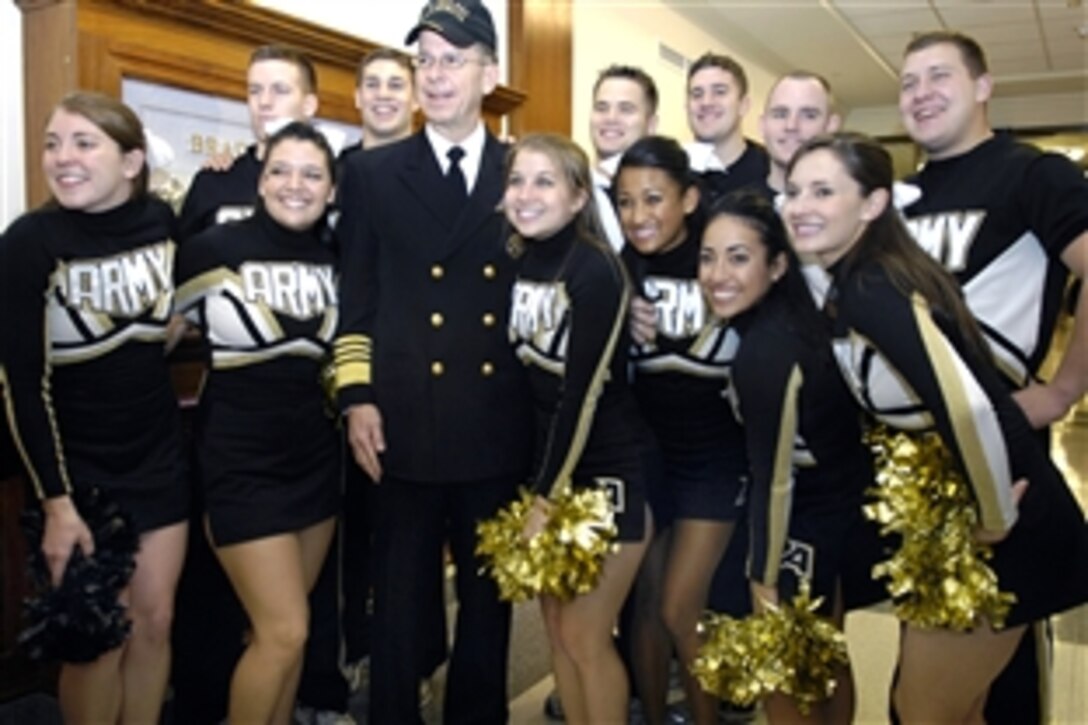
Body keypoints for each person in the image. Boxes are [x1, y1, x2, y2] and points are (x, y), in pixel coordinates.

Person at [782, 131, 1088, 723]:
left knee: (921, 709)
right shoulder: (860, 277)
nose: (801, 204)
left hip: (1006, 518)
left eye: (824, 190)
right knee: (956, 711)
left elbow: (970, 405)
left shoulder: (876, 284)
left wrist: (994, 515)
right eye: (795, 190)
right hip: (967, 510)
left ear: (872, 204)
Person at [333, 1, 533, 721]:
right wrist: (356, 396)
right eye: (426, 59)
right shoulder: (374, 174)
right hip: (402, 427)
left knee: (488, 606)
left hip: (497, 425)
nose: (436, 74)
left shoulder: (525, 173)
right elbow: (353, 302)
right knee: (401, 606)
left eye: (453, 58)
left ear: (489, 72)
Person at [897, 31, 1088, 724]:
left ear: (983, 86)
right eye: (909, 81)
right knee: (941, 693)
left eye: (939, 76)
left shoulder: (1031, 173)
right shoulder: (902, 198)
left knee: (953, 701)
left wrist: (1065, 389)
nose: (921, 92)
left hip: (1000, 464)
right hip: (921, 478)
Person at [0, 91, 188, 725]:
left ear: (131, 161)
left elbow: (182, 301)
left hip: (160, 456)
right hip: (79, 476)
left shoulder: (164, 221)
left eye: (84, 143)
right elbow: (25, 387)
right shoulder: (29, 242)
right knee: (95, 643)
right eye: (53, 143)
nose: (63, 158)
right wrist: (56, 503)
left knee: (155, 620)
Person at [174, 120, 340, 725]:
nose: (294, 185)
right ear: (260, 178)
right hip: (240, 464)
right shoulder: (211, 250)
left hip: (316, 461)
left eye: (311, 174)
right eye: (280, 171)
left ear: (330, 189)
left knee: (283, 633)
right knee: (284, 630)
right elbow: (152, 335)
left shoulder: (337, 257)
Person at [698, 190, 869, 723]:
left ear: (776, 266)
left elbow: (773, 479)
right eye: (708, 257)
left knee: (786, 684)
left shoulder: (767, 349)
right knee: (827, 659)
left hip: (806, 520)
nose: (718, 274)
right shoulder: (787, 322)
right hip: (836, 508)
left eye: (739, 257)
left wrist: (762, 577)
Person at [505, 132, 653, 725]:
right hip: (544, 465)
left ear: (576, 196)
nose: (526, 193)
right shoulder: (517, 255)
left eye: (544, 181)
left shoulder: (593, 267)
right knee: (558, 629)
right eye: (517, 180)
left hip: (602, 466)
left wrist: (546, 495)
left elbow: (583, 395)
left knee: (588, 635)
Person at [612, 136, 745, 725]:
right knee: (643, 603)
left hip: (715, 458)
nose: (638, 216)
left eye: (653, 199)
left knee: (679, 605)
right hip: (646, 453)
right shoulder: (623, 263)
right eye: (624, 201)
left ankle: (705, 716)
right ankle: (652, 711)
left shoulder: (723, 255)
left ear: (690, 198)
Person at [177, 44, 319, 241]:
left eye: (280, 90)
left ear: (308, 105)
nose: (264, 102)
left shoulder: (335, 186)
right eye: (255, 90)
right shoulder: (213, 181)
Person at [589, 64, 659, 250]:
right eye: (601, 107)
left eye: (626, 109)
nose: (610, 118)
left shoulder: (666, 200)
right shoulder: (571, 191)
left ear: (651, 124)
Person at [684, 53, 769, 206]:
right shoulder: (672, 171)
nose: (706, 102)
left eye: (720, 92)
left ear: (743, 105)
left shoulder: (769, 172)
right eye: (697, 94)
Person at [759, 71, 841, 196]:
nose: (791, 126)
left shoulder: (849, 211)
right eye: (780, 114)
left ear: (831, 126)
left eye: (809, 116)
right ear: (762, 125)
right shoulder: (731, 208)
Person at [340, 47, 416, 161]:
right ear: (358, 98)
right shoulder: (335, 173)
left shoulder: (440, 172)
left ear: (417, 99)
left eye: (395, 85)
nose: (382, 94)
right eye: (372, 85)